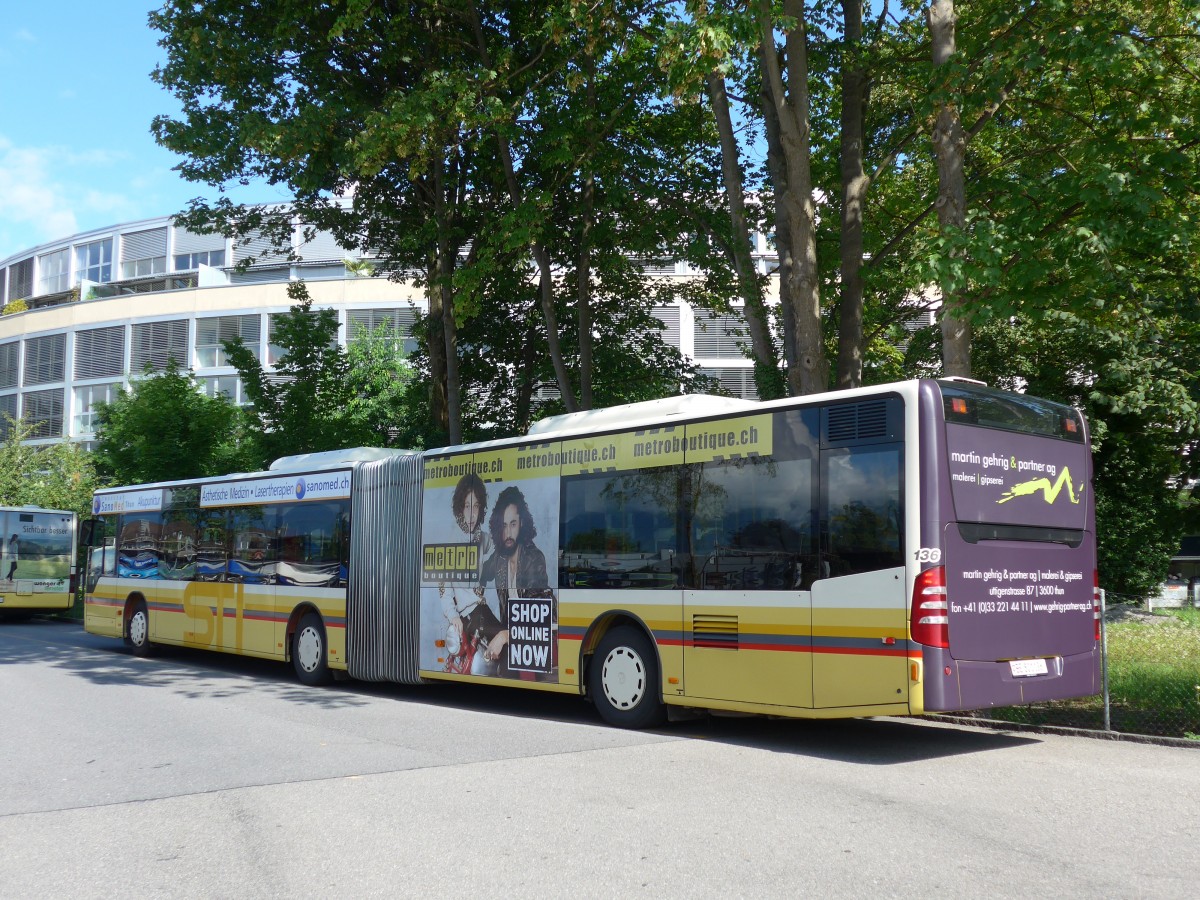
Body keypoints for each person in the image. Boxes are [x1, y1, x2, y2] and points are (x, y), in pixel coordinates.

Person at [479, 486, 551, 669]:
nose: (508, 533)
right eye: (503, 525)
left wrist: (504, 636)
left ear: (522, 524)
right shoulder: (499, 559)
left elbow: (537, 621)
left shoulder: (534, 558)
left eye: (513, 524)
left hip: (533, 642)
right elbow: (480, 573)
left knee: (507, 672)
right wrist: (476, 588)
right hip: (508, 636)